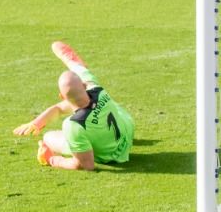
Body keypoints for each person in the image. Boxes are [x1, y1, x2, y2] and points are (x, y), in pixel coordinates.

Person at [13, 41, 135, 171]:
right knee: (108, 102)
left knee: (49, 137)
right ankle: (72, 62)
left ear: (62, 96)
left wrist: (52, 159)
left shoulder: (73, 125)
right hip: (128, 132)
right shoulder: (97, 89)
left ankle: (73, 64)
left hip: (112, 155)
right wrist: (36, 123)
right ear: (84, 86)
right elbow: (59, 109)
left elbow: (87, 165)